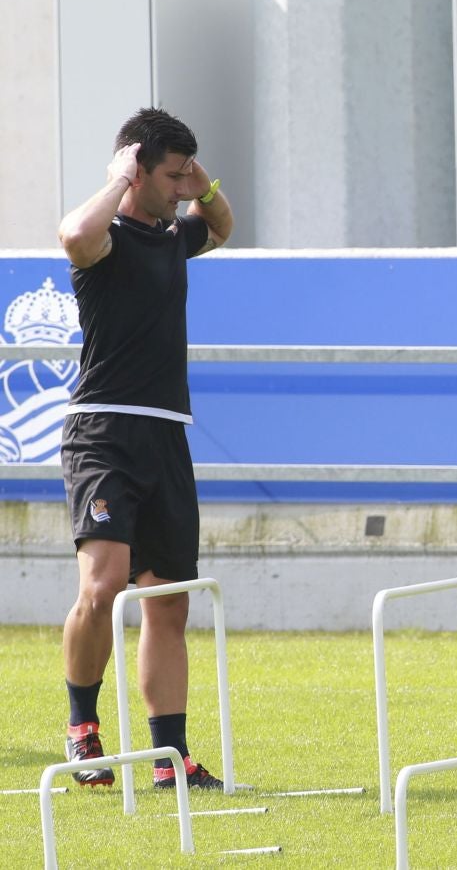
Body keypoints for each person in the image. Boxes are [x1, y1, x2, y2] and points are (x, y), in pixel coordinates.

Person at [57, 108, 233, 788]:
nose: (183, 185)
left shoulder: (173, 235)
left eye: (187, 172)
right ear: (136, 170)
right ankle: (83, 730)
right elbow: (74, 232)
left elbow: (223, 228)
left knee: (169, 599)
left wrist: (204, 185)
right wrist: (120, 177)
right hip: (104, 430)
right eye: (171, 173)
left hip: (166, 432)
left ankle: (171, 757)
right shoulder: (105, 241)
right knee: (102, 587)